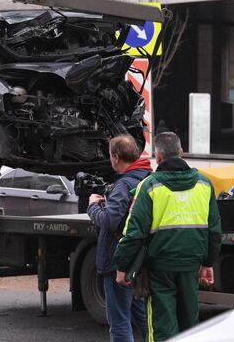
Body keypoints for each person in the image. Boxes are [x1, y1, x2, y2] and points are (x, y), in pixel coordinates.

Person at [114, 132, 222, 341]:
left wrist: (122, 265)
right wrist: (208, 263)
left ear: (159, 156)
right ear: (181, 152)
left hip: (160, 268)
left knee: (162, 325)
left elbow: (134, 232)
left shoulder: (150, 186)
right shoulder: (204, 184)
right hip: (191, 264)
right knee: (190, 324)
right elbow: (215, 230)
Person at [87, 134, 151, 342]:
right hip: (141, 259)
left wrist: (93, 206)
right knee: (143, 317)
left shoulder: (123, 185)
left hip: (118, 260)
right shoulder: (149, 179)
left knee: (120, 321)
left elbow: (109, 221)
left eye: (109, 155)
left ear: (115, 157)